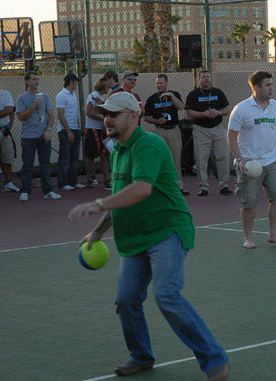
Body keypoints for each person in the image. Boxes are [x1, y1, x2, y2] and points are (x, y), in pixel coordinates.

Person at [68, 92, 230, 381]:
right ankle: (141, 357)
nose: (107, 118)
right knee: (126, 300)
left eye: (114, 113)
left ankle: (215, 360)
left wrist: (97, 205)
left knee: (167, 294)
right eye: (105, 113)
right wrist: (98, 230)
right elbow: (121, 196)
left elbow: (141, 189)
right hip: (135, 238)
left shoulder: (149, 145)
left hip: (167, 229)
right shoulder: (118, 149)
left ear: (133, 116)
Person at [227, 71, 276, 249]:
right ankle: (248, 238)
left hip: (272, 160)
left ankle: (273, 235)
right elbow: (231, 136)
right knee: (248, 203)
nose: (271, 88)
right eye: (267, 85)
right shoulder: (241, 109)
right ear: (256, 88)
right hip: (250, 164)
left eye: (272, 84)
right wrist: (240, 158)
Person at [185, 70, 232, 197]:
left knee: (223, 156)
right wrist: (204, 114)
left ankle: (224, 185)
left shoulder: (218, 92)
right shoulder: (193, 94)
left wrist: (218, 113)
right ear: (198, 79)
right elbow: (189, 112)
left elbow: (227, 109)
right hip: (201, 130)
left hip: (218, 128)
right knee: (201, 159)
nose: (206, 79)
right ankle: (203, 187)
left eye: (208, 77)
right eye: (203, 77)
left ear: (210, 79)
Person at [16, 72, 61, 201]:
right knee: (28, 164)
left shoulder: (45, 96)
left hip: (43, 136)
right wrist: (34, 106)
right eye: (34, 79)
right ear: (27, 82)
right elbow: (20, 117)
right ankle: (25, 191)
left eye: (37, 79)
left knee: (45, 164)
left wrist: (48, 129)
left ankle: (48, 191)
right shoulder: (22, 98)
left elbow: (51, 115)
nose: (36, 81)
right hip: (28, 136)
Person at [144, 73, 189, 195]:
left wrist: (171, 96)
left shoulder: (174, 95)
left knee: (175, 159)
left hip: (174, 130)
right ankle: (161, 186)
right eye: (157, 83)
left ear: (167, 83)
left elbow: (181, 107)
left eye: (161, 83)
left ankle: (178, 186)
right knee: (160, 159)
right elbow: (146, 117)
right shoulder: (152, 99)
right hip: (159, 131)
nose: (159, 85)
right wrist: (157, 121)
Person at [56, 73, 85, 191]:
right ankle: (62, 183)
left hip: (75, 129)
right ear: (71, 82)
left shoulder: (73, 95)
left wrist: (76, 129)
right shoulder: (62, 95)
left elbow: (74, 114)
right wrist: (68, 131)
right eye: (75, 81)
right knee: (65, 157)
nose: (77, 84)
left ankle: (73, 182)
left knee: (74, 157)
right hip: (65, 131)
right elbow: (60, 114)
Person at [84, 77, 111, 190]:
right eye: (106, 85)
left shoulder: (100, 98)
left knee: (104, 155)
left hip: (101, 130)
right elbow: (88, 112)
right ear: (102, 86)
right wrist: (102, 120)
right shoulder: (93, 96)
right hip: (92, 129)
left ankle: (107, 180)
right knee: (91, 156)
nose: (108, 87)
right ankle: (89, 179)